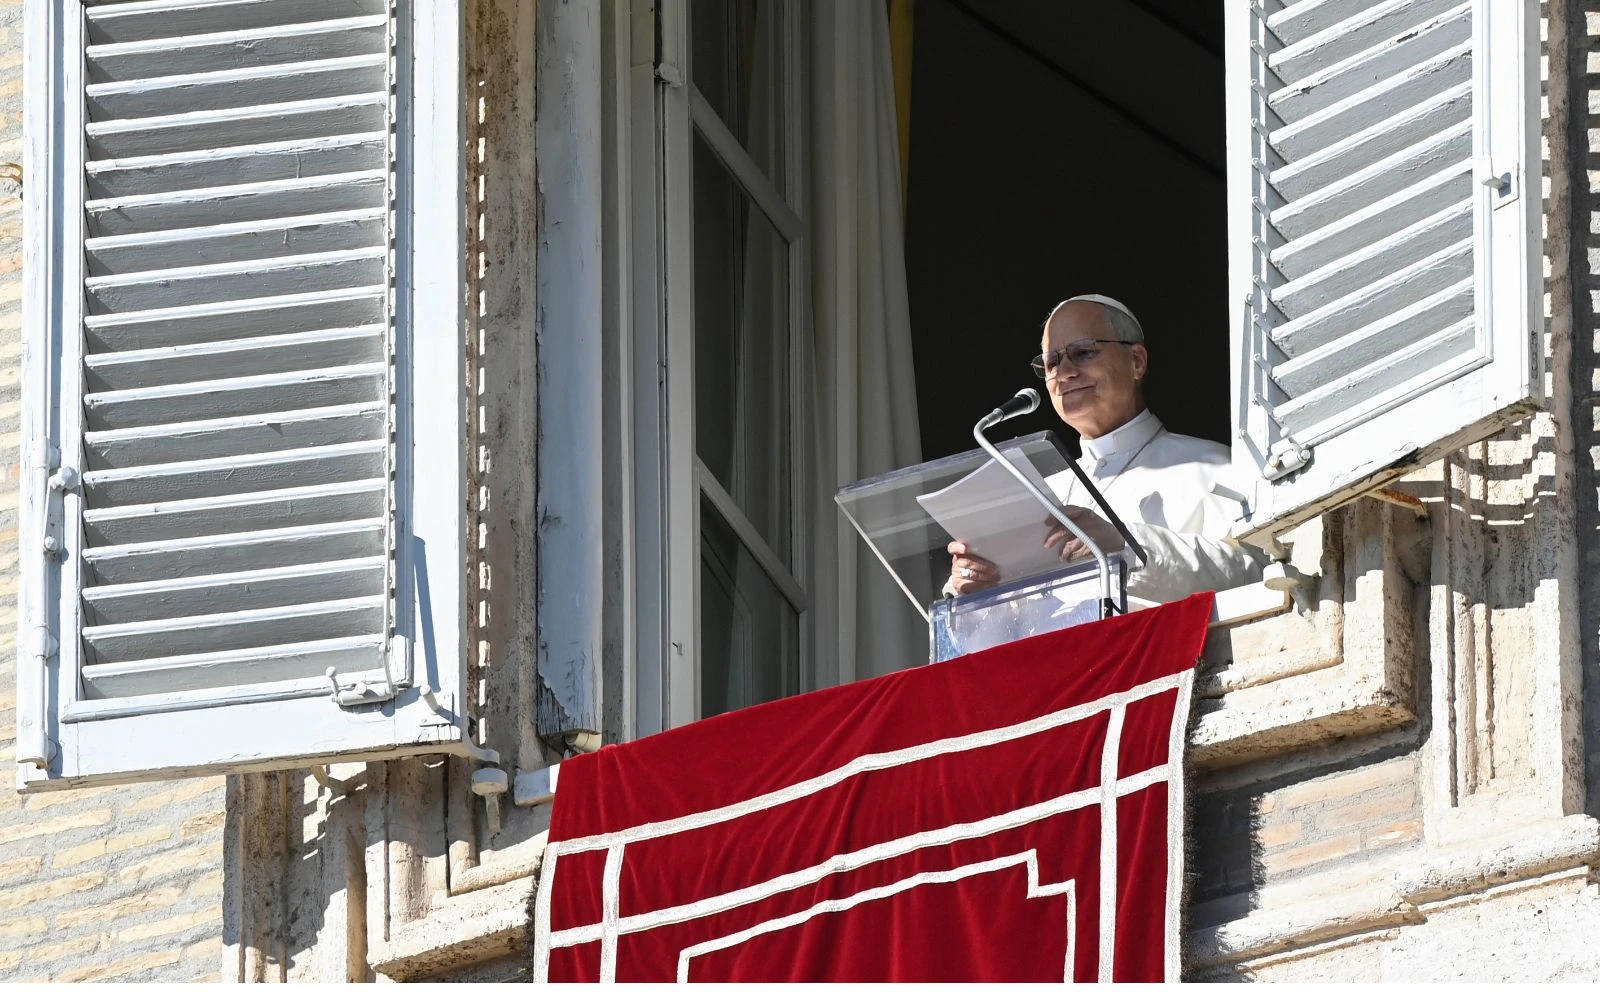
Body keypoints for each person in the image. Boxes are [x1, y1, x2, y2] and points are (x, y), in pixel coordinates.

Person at [945, 294, 1266, 606]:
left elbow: (1256, 568)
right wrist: (977, 589)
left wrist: (1127, 546)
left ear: (1136, 361)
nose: (1064, 373)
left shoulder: (1213, 466)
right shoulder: (1042, 495)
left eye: (1083, 353)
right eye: (1052, 362)